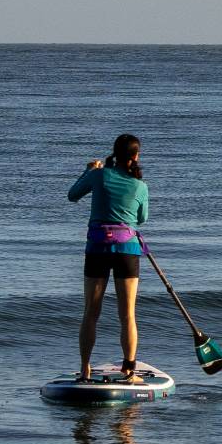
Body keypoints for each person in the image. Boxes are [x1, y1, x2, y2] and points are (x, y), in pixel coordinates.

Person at [70, 134, 148, 377]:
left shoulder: (98, 175)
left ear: (114, 153)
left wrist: (88, 171)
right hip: (127, 250)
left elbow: (73, 195)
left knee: (91, 312)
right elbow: (141, 219)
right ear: (135, 156)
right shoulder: (140, 185)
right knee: (128, 315)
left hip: (97, 249)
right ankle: (129, 370)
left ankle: (85, 369)